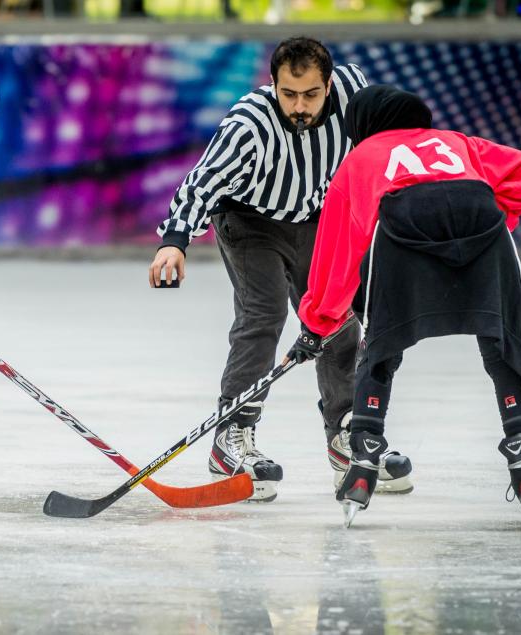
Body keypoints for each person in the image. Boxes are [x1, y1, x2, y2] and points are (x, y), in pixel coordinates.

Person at [149, 37, 413, 502]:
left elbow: (389, 143)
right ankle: (231, 438)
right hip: (249, 221)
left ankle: (347, 434)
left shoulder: (355, 91)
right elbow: (203, 180)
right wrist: (175, 242)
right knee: (263, 314)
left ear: (328, 84)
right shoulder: (249, 122)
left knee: (336, 319)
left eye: (310, 94)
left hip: (315, 219)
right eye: (288, 94)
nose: (299, 106)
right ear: (273, 84)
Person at [288, 85, 521, 527]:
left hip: (402, 233)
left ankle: (364, 456)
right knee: (505, 334)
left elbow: (338, 254)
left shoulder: (359, 161)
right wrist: (497, 217)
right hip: (479, 225)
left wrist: (317, 324)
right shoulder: (458, 142)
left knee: (380, 341)